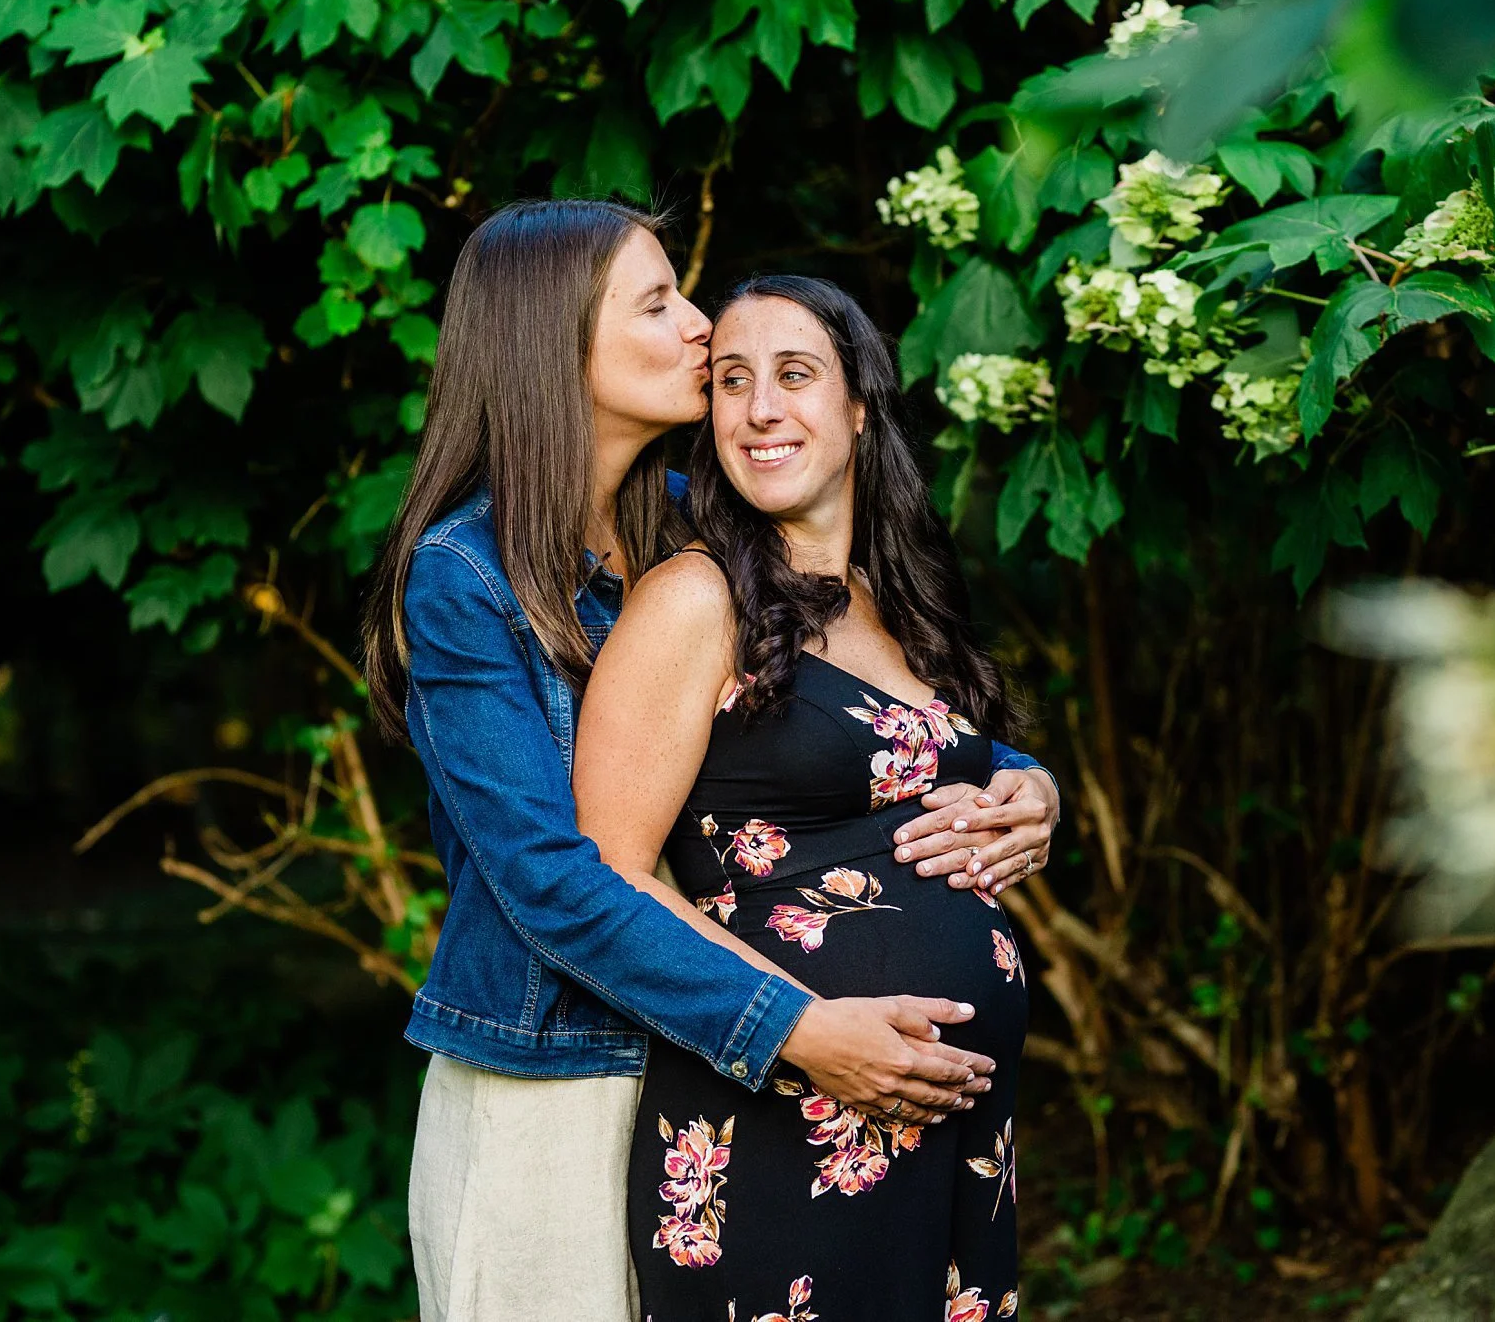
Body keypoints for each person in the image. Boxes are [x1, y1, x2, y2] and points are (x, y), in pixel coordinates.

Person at [358, 202, 1059, 1321]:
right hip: (568, 1083)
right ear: (556, 344)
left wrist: (1026, 780)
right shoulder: (465, 580)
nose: (698, 327)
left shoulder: (697, 522)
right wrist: (792, 1022)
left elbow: (852, 700)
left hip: (733, 1081)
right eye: (658, 303)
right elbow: (552, 875)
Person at [575, 275, 1030, 1321]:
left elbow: (953, 763)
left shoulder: (895, 598)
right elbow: (608, 868)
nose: (760, 408)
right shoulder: (693, 599)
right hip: (783, 1111)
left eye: (794, 374)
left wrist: (1029, 787)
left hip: (949, 1134)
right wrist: (806, 1024)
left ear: (859, 406)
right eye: (730, 381)